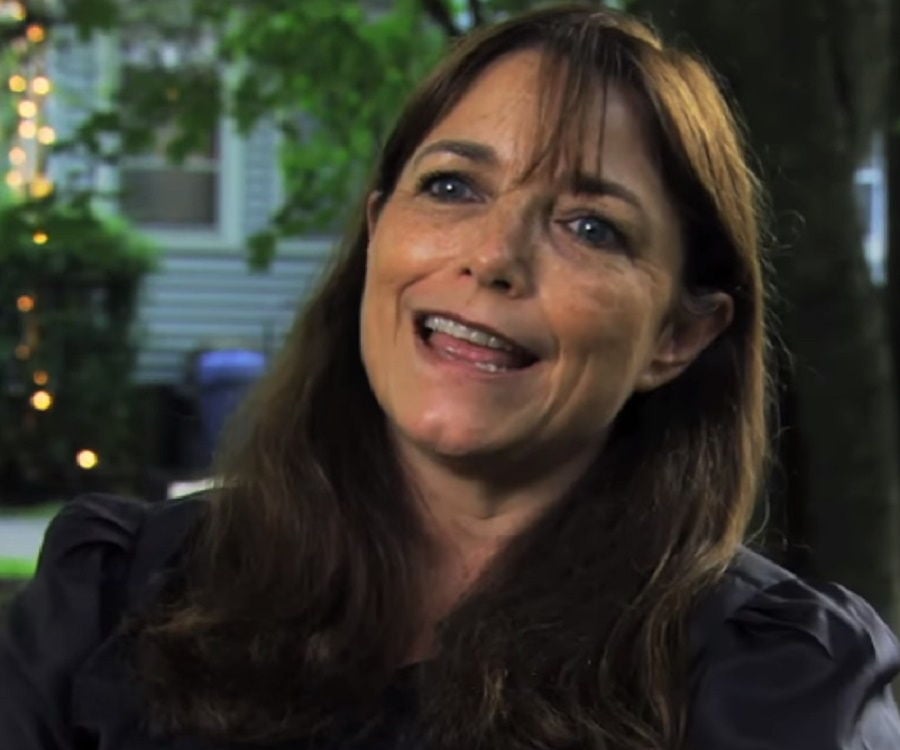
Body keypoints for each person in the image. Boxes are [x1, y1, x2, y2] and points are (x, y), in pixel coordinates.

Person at [2, 4, 899, 749]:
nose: (493, 256)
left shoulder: (784, 687)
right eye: (453, 187)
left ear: (680, 334)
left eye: (591, 227)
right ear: (378, 230)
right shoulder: (111, 600)